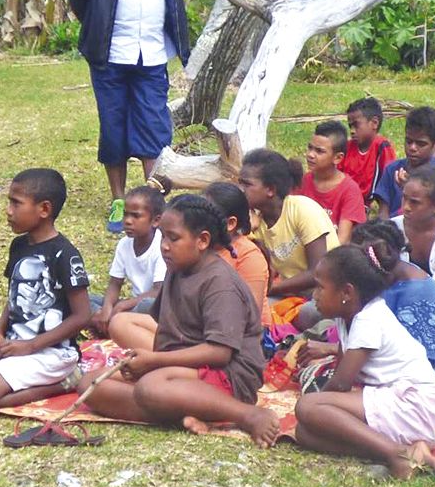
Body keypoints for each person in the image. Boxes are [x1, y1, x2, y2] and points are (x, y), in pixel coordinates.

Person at [82, 194, 275, 441]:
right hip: (182, 371)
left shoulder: (220, 283)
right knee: (91, 384)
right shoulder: (177, 269)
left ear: (202, 240)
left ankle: (246, 414)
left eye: (173, 238)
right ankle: (185, 412)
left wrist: (154, 361)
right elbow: (167, 332)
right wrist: (149, 363)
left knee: (151, 387)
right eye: (162, 236)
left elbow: (219, 353)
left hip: (227, 376)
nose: (164, 246)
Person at [67, 0, 190, 234]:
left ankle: (153, 202)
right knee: (114, 127)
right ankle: (119, 200)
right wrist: (97, 26)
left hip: (152, 52)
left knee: (154, 126)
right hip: (110, 53)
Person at [290, 245, 435, 480]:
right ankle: (407, 451)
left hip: (414, 408)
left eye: (320, 287)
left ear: (347, 293)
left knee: (307, 407)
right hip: (393, 403)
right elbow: (342, 371)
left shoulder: (368, 320)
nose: (315, 295)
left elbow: (340, 384)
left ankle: (397, 454)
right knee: (304, 433)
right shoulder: (346, 317)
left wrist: (320, 406)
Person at [0, 168, 91, 410]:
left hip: (52, 352)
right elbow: (13, 297)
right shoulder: (19, 246)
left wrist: (31, 346)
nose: (8, 211)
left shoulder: (65, 255)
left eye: (16, 203)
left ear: (44, 209)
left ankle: (66, 382)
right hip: (14, 344)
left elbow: (83, 316)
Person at [350, 220, 435, 382]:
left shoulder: (419, 295)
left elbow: (409, 356)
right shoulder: (387, 277)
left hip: (416, 377)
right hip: (385, 359)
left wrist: (333, 349)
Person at [241, 148, 334, 320]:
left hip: (324, 292)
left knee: (308, 314)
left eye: (247, 184)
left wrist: (270, 289)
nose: (241, 190)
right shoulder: (257, 222)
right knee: (248, 311)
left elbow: (317, 272)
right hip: (290, 294)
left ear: (270, 190)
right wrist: (249, 231)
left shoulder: (302, 209)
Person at [93, 186, 165, 336]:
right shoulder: (124, 244)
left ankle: (114, 325)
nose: (127, 221)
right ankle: (111, 323)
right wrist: (107, 308)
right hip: (133, 305)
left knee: (147, 305)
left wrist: (122, 306)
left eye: (135, 216)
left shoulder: (162, 245)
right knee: (85, 300)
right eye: (125, 214)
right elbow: (115, 283)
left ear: (156, 221)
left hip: (154, 306)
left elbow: (158, 291)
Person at [204, 181, 273, 328]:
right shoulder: (199, 247)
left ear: (230, 223)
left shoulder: (249, 256)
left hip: (244, 333)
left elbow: (250, 316)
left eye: (205, 218)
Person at [369, 106, 435, 219]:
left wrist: (409, 188)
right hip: (393, 227)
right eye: (408, 141)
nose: (412, 148)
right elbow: (383, 212)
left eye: (421, 144)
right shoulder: (392, 169)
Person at [296, 121, 369, 241]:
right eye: (310, 148)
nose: (310, 155)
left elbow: (342, 241)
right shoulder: (302, 182)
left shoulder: (350, 190)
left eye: (319, 151)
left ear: (338, 158)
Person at [343, 97, 396, 204]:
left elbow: (389, 181)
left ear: (374, 123)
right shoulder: (347, 147)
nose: (352, 131)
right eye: (350, 126)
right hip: (346, 199)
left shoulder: (382, 147)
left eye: (356, 125)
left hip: (364, 203)